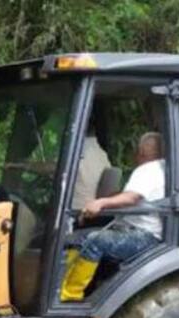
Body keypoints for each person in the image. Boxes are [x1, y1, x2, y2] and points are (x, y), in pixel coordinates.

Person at [61, 132, 167, 302]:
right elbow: (134, 195)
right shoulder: (161, 168)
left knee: (94, 241)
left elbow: (131, 198)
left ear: (141, 152)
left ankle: (70, 296)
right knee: (77, 238)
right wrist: (113, 196)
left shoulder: (148, 169)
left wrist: (101, 202)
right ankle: (60, 286)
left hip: (144, 236)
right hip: (133, 230)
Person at [71, 115, 111, 213]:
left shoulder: (79, 153)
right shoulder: (102, 154)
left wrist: (28, 166)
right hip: (95, 212)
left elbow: (55, 167)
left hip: (76, 213)